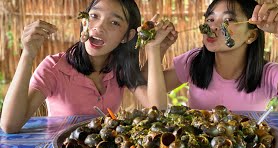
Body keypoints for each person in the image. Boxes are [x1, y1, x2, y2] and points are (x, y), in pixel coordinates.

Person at [0, 0, 174, 133]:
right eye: (94, 16)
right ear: (84, 22)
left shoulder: (119, 68)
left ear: (127, 36)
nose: (98, 27)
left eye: (114, 22)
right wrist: (28, 55)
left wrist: (153, 48)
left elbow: (157, 110)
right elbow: (10, 125)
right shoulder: (54, 67)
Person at [160, 0, 278, 111]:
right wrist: (158, 49)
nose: (214, 26)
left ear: (250, 36)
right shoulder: (193, 61)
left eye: (228, 19)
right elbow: (148, 85)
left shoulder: (268, 74)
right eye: (210, 19)